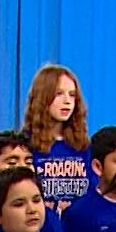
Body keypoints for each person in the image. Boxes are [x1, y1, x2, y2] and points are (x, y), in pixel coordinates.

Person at [21, 64, 94, 212]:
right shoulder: (25, 145)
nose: (67, 101)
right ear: (42, 97)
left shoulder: (83, 146)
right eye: (59, 93)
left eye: (72, 95)